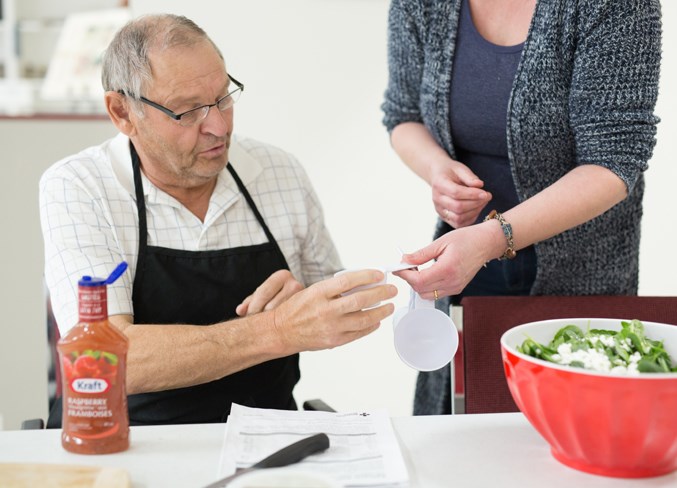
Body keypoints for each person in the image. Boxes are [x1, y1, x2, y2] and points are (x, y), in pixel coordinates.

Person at [40, 13, 397, 426]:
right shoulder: (81, 187)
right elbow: (106, 359)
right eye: (188, 111)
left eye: (224, 97)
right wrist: (276, 330)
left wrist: (316, 301)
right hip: (125, 442)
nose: (219, 125)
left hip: (267, 439)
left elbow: (330, 306)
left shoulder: (278, 172)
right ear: (122, 113)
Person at [382, 0, 661, 415]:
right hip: (467, 261)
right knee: (459, 423)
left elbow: (614, 159)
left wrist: (494, 237)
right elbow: (402, 115)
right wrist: (438, 171)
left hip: (581, 270)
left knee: (573, 429)